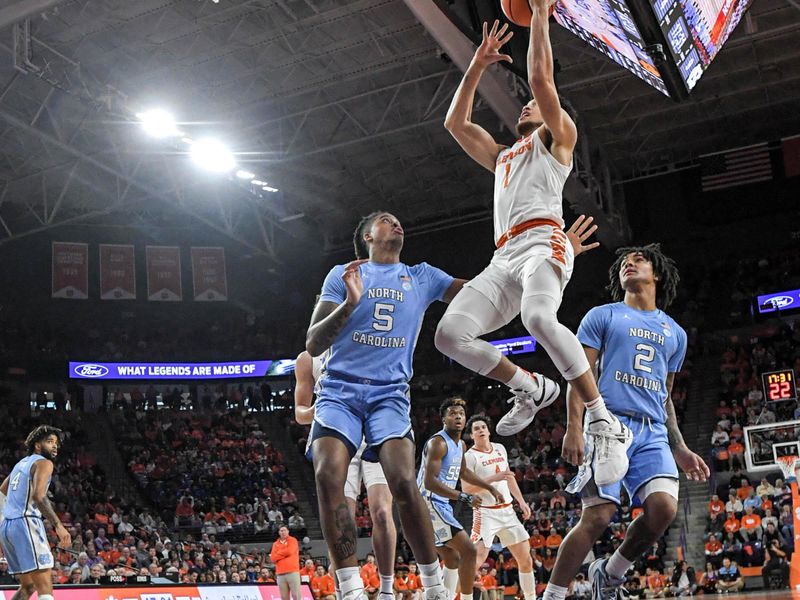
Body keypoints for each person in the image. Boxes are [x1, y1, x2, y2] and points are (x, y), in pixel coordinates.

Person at [436, 4, 632, 485]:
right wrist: (477, 65)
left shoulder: (559, 138)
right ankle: (529, 387)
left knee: (539, 319)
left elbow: (542, 81)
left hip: (546, 242)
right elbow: (455, 125)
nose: (527, 103)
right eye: (523, 105)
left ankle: (602, 418)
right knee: (448, 336)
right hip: (503, 259)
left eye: (536, 103)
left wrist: (541, 13)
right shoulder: (504, 156)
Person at [306, 212, 466, 600]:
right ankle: (350, 588)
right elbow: (313, 342)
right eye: (385, 220)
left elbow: (483, 294)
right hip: (340, 391)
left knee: (404, 481)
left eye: (398, 220)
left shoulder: (423, 275)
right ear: (367, 236)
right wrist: (349, 304)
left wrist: (533, 267)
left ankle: (433, 585)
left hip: (389, 393)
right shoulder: (342, 274)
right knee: (328, 475)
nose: (396, 224)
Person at [545, 244, 709, 600]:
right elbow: (577, 374)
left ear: (658, 274)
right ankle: (553, 595)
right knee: (598, 517)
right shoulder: (602, 315)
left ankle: (611, 572)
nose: (628, 264)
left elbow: (665, 395)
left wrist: (678, 446)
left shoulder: (675, 333)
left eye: (638, 260)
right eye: (623, 262)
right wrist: (574, 426)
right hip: (608, 425)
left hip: (651, 431)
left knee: (663, 508)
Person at [296, 348, 397, 600]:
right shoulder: (307, 358)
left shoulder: (367, 342)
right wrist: (325, 407)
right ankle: (345, 590)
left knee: (383, 513)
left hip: (373, 431)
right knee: (342, 516)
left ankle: (387, 590)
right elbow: (300, 413)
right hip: (337, 434)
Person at [417, 398, 503, 600]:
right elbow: (429, 483)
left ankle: (445, 597)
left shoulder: (461, 445)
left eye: (461, 414)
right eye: (452, 413)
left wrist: (489, 487)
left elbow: (463, 471)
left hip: (441, 504)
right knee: (469, 551)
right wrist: (463, 496)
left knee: (452, 557)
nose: (457, 416)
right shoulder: (438, 443)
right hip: (429, 502)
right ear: (443, 419)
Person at [463, 414, 536, 600]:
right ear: (472, 435)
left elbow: (509, 477)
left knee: (526, 560)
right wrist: (493, 479)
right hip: (485, 512)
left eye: (483, 427)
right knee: (475, 560)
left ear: (488, 430)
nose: (480, 430)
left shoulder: (500, 449)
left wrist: (521, 501)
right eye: (476, 429)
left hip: (508, 511)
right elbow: (467, 488)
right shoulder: (470, 457)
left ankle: (530, 597)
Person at [0, 426, 71, 600]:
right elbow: (39, 496)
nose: (55, 446)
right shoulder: (44, 463)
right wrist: (58, 525)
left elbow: (2, 491)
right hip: (26, 522)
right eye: (50, 442)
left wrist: (4, 519)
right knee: (45, 584)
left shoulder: (21, 464)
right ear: (38, 446)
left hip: (8, 527)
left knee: (28, 586)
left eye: (56, 443)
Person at [270, 525, 302, 600]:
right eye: (281, 530)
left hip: (292, 572)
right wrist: (284, 554)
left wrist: (278, 554)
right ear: (279, 532)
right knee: (284, 597)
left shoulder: (293, 540)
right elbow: (273, 558)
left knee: (296, 595)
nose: (283, 532)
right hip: (280, 574)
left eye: (284, 530)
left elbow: (290, 551)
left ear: (288, 531)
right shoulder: (275, 544)